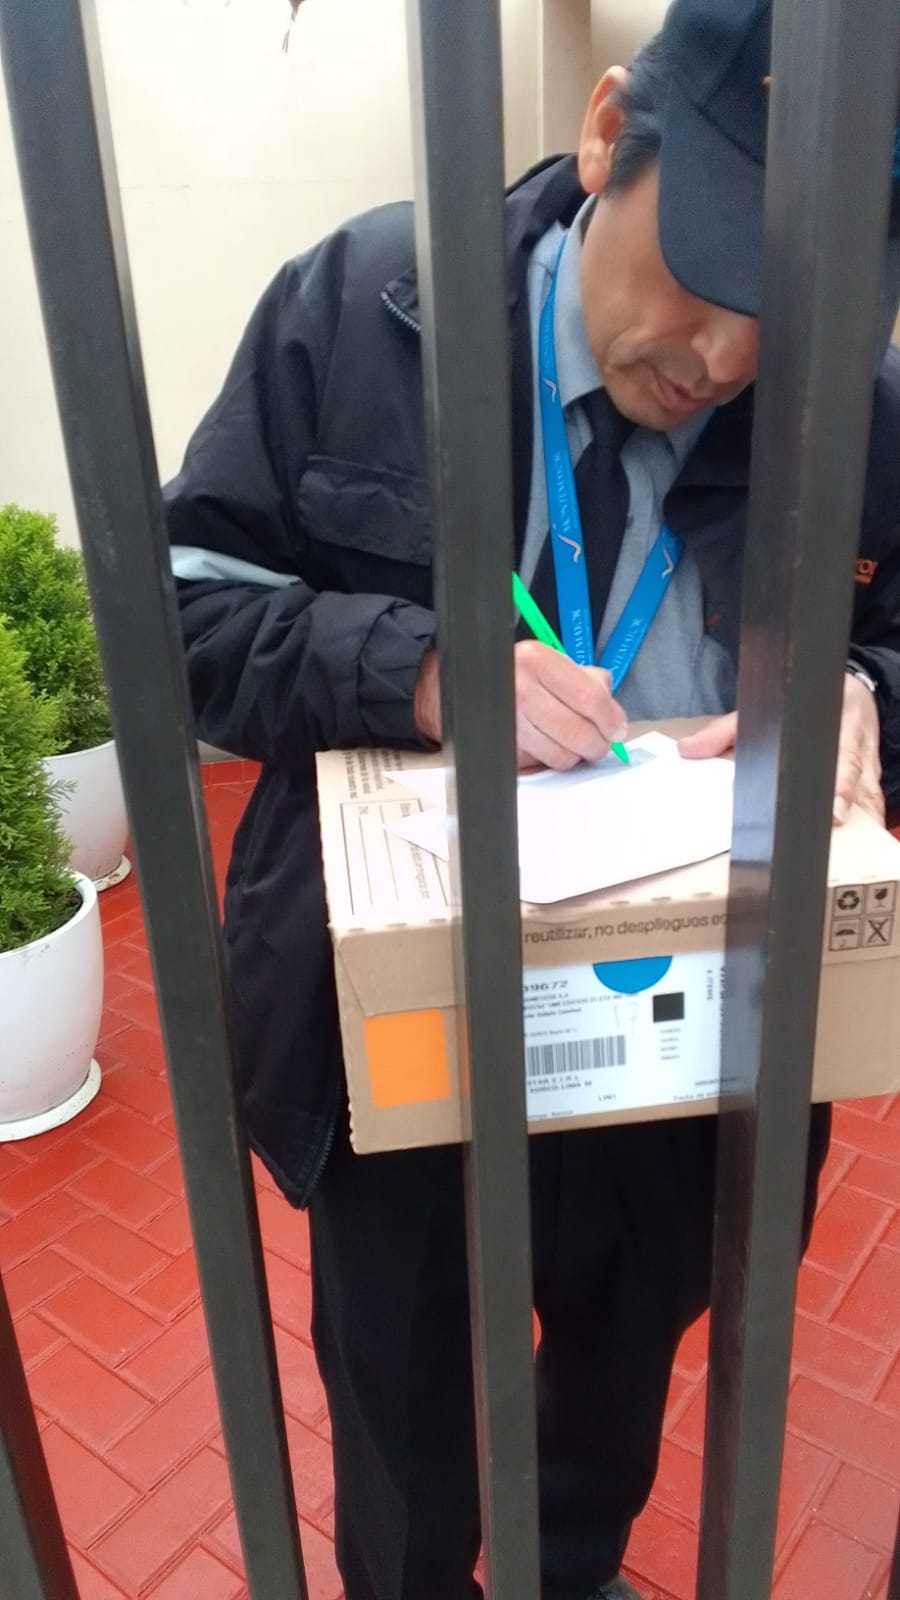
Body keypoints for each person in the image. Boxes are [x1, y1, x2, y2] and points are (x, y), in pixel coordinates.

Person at [164, 1, 900, 1594]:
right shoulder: (366, 306)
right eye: (709, 275)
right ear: (606, 132)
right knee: (405, 1410)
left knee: (622, 1386)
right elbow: (183, 612)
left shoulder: (855, 406)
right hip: (410, 1027)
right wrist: (420, 672)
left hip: (692, 1034)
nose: (728, 359)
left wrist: (862, 692)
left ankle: (568, 1570)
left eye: (792, 311)